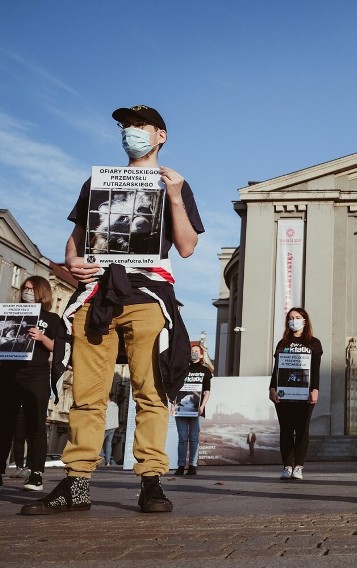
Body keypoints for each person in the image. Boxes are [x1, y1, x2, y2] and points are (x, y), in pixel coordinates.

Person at [22, 105, 204, 515]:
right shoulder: (96, 183)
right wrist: (73, 262)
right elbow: (77, 238)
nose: (131, 132)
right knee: (87, 392)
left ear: (161, 135)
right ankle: (77, 483)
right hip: (97, 292)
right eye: (126, 126)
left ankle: (151, 482)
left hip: (146, 292)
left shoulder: (175, 184)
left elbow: (188, 246)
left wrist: (174, 197)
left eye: (140, 126)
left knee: (150, 390)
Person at [0, 276, 61, 492]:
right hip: (8, 373)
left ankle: (36, 474)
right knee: (4, 424)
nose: (26, 292)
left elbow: (58, 348)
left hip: (36, 375)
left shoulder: (52, 319)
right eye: (25, 289)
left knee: (36, 424)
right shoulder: (11, 312)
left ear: (41, 292)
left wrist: (42, 338)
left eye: (31, 289)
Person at [269, 308, 322, 481]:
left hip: (305, 394)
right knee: (285, 430)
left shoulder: (314, 343)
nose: (294, 320)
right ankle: (287, 467)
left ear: (305, 321)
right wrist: (272, 388)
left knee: (301, 430)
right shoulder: (282, 343)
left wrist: (315, 389)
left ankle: (298, 466)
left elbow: (315, 370)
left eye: (298, 317)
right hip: (284, 394)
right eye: (291, 318)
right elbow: (276, 369)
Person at [173, 343, 213, 476]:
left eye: (196, 351)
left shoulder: (205, 371)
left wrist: (202, 406)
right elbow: (176, 389)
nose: (194, 353)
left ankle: (193, 466)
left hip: (198, 410)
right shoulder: (181, 370)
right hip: (181, 408)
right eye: (192, 351)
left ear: (201, 354)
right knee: (182, 438)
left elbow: (207, 391)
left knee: (194, 438)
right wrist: (173, 404)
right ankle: (180, 466)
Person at [101, 393, 120, 466]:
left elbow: (104, 416)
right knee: (109, 443)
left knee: (99, 443)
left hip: (106, 426)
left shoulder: (107, 406)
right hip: (114, 426)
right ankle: (108, 462)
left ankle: (101, 457)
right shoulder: (116, 406)